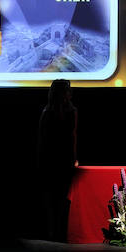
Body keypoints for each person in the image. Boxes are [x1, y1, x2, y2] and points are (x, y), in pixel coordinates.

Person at [37, 79, 78, 242]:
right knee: (62, 197)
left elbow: (42, 139)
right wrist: (74, 158)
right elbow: (72, 137)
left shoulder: (47, 111)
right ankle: (61, 232)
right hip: (63, 159)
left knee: (51, 198)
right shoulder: (71, 111)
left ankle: (52, 231)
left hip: (49, 159)